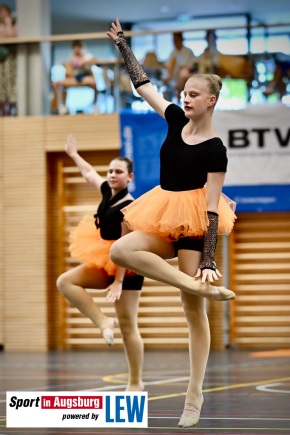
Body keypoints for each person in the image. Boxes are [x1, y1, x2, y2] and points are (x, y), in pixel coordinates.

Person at [107, 18, 237, 427]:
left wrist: (210, 259)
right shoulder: (175, 120)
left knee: (191, 312)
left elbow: (213, 205)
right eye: (184, 93)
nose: (186, 98)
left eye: (194, 94)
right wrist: (124, 47)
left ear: (211, 100)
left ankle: (193, 395)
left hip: (196, 224)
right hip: (163, 212)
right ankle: (195, 286)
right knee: (121, 249)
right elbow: (143, 86)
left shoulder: (215, 149)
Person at [56, 134, 144, 391]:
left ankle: (136, 382)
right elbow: (88, 174)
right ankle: (103, 322)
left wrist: (118, 281)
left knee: (128, 325)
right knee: (66, 282)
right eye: (110, 171)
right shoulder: (107, 190)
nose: (112, 175)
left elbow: (125, 248)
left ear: (130, 177)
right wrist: (73, 154)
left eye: (119, 171)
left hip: (126, 267)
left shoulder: (129, 206)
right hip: (103, 256)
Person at [52, 40, 98, 115]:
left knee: (94, 83)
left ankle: (95, 105)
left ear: (81, 48)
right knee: (55, 83)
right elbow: (69, 73)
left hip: (84, 77)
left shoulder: (86, 56)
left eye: (78, 47)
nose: (76, 50)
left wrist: (86, 62)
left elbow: (94, 61)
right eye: (75, 48)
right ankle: (61, 107)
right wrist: (66, 66)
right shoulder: (71, 58)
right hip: (74, 78)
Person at [164, 31, 196, 101]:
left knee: (183, 73)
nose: (175, 42)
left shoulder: (188, 51)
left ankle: (179, 98)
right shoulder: (173, 52)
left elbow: (190, 65)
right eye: (174, 41)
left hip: (185, 76)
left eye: (177, 40)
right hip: (174, 78)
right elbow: (168, 65)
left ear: (181, 40)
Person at [0, 4, 17, 116]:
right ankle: (2, 112)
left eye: (5, 13)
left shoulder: (13, 24)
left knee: (11, 85)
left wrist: (8, 23)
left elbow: (12, 35)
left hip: (10, 61)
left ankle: (9, 112)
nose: (2, 15)